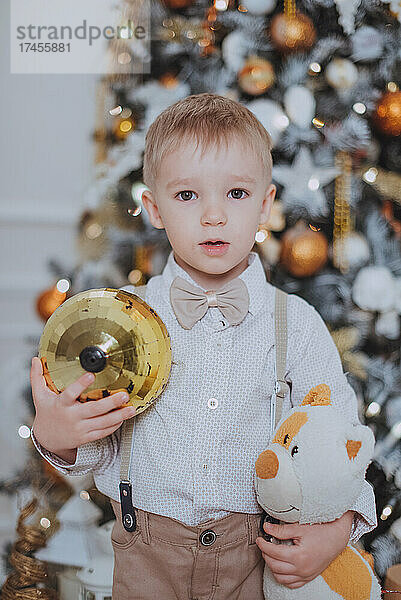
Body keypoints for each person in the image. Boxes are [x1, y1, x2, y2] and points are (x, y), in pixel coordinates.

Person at [30, 92, 377, 600]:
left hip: (255, 557)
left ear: (265, 204)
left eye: (236, 194)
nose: (214, 215)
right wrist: (57, 435)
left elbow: (340, 438)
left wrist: (338, 526)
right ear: (154, 209)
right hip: (145, 551)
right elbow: (96, 448)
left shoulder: (295, 325)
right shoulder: (121, 326)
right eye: (188, 196)